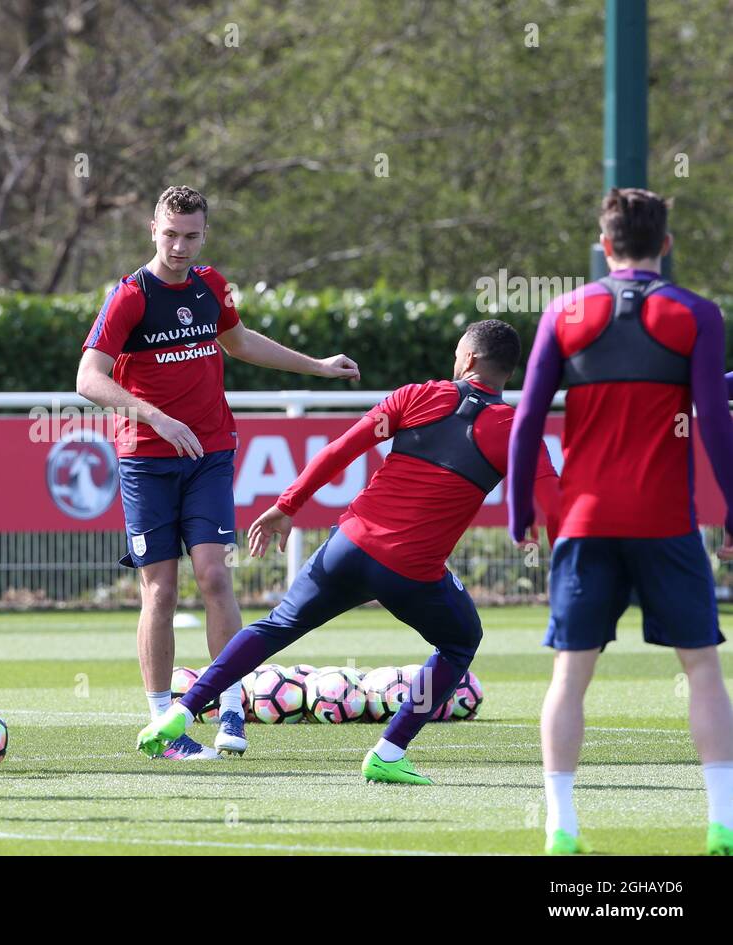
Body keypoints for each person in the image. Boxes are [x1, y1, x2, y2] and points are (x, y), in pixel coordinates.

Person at [139, 320, 561, 787]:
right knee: (461, 641)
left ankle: (180, 712)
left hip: (349, 546)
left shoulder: (417, 395)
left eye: (457, 352)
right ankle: (389, 751)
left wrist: (287, 504)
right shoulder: (517, 430)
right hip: (410, 573)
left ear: (470, 360)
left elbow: (341, 449)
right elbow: (552, 500)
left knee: (277, 626)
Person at [78, 185, 359, 759]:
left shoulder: (212, 284)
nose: (179, 246)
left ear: (204, 233)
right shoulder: (129, 296)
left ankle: (231, 710)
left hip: (209, 452)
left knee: (214, 575)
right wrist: (157, 418)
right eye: (170, 234)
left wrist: (317, 367)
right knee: (159, 589)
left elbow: (239, 342)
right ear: (152, 229)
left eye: (191, 235)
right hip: (146, 461)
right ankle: (165, 726)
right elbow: (89, 377)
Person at [508, 188, 733, 856]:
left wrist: (522, 510)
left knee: (570, 676)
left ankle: (561, 826)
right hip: (666, 521)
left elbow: (525, 422)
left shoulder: (564, 311)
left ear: (605, 245)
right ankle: (721, 822)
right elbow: (715, 424)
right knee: (701, 670)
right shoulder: (696, 313)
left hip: (583, 523)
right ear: (665, 244)